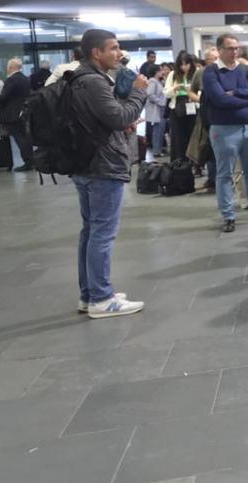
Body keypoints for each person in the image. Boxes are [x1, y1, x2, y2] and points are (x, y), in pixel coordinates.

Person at [68, 29, 149, 318]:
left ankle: (90, 294)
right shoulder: (94, 81)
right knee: (102, 232)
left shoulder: (80, 79)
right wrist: (139, 91)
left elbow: (104, 119)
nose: (119, 53)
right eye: (113, 48)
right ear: (96, 53)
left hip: (86, 163)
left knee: (91, 231)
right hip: (102, 166)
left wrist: (120, 122)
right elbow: (119, 116)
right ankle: (101, 298)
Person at [201, 34, 248, 233]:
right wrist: (247, 97)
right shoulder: (210, 72)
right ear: (219, 49)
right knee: (225, 174)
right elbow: (219, 99)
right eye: (229, 48)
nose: (234, 51)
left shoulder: (245, 69)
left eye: (236, 48)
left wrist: (235, 93)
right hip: (224, 130)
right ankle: (228, 216)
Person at [0, 58, 35, 172]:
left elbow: (4, 96)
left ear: (11, 67)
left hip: (13, 115)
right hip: (23, 113)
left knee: (20, 138)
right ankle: (31, 160)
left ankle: (28, 162)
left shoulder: (12, 80)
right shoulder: (25, 78)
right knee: (24, 137)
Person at [189, 47, 219, 192]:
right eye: (210, 59)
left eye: (215, 58)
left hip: (223, 115)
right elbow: (191, 91)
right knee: (208, 147)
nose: (213, 61)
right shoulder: (200, 73)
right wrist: (201, 100)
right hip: (206, 116)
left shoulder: (224, 72)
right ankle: (213, 180)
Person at [165, 52, 198, 162]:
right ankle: (179, 164)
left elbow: (202, 92)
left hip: (193, 108)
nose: (184, 67)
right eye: (181, 64)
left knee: (194, 138)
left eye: (186, 64)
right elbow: (165, 93)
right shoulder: (173, 74)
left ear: (191, 64)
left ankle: (196, 165)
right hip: (177, 109)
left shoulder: (196, 73)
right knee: (178, 139)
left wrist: (192, 93)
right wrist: (174, 89)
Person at [144, 63, 170, 159]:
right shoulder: (152, 81)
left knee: (160, 130)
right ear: (156, 72)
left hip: (160, 109)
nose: (162, 72)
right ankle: (156, 151)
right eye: (160, 70)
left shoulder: (158, 81)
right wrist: (160, 102)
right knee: (157, 131)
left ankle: (158, 150)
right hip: (157, 109)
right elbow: (150, 94)